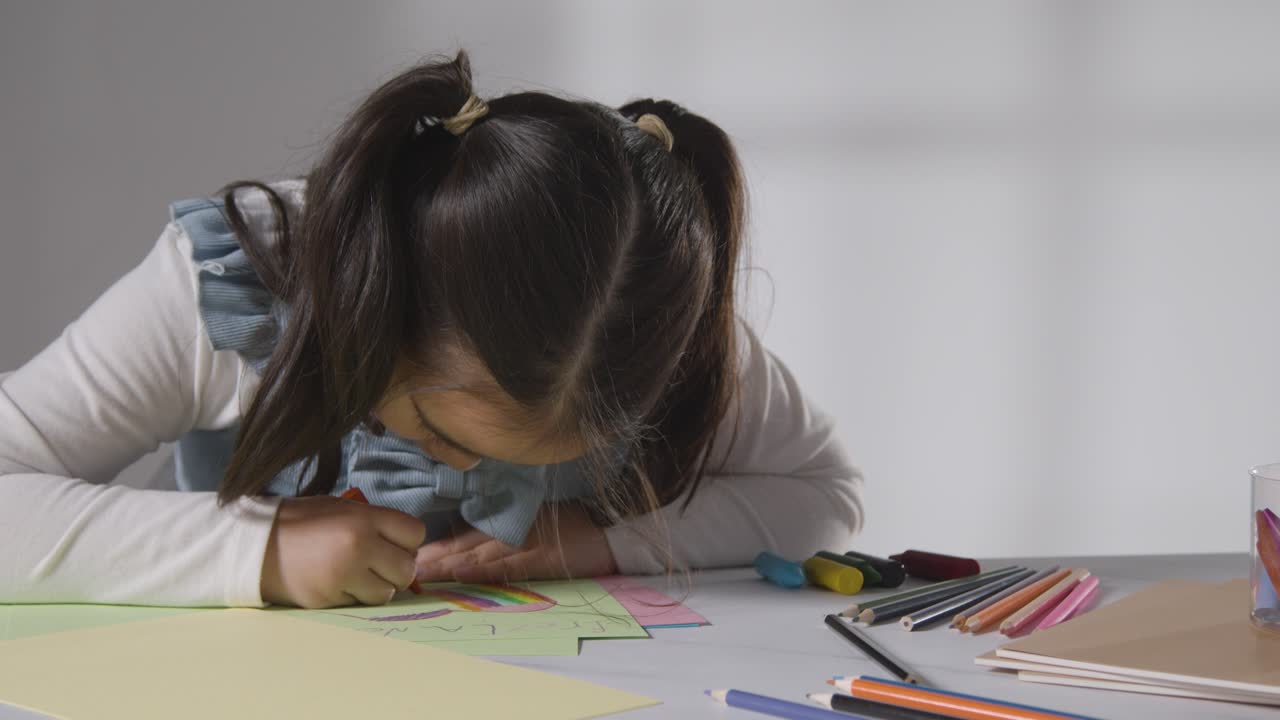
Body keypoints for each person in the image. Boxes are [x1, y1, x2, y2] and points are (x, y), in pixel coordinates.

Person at [0, 51, 862, 609]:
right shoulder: (240, 281)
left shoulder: (645, 328)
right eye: (439, 429)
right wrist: (254, 554)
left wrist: (603, 541)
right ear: (387, 308)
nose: (464, 466)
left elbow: (824, 494)